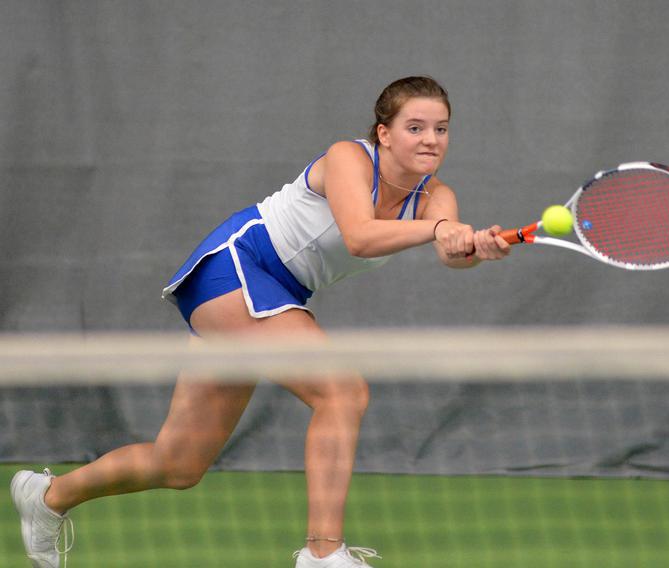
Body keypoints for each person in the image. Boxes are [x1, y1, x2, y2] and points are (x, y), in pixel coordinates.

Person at [10, 76, 511, 568]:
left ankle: (47, 496)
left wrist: (475, 249)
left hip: (274, 294)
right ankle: (322, 553)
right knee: (343, 392)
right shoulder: (349, 158)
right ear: (384, 133)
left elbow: (452, 254)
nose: (430, 140)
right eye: (415, 127)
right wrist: (442, 230)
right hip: (237, 267)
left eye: (441, 129)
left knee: (179, 463)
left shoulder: (435, 197)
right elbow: (359, 236)